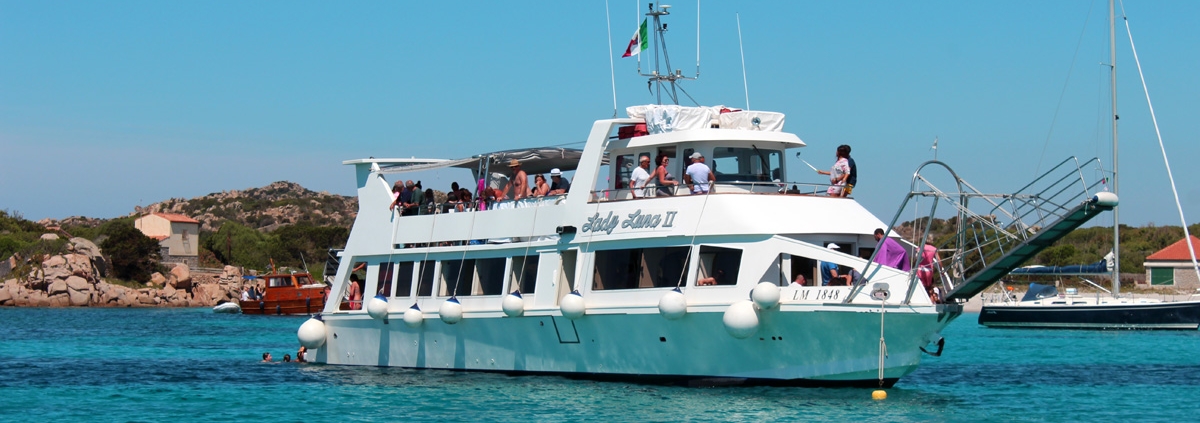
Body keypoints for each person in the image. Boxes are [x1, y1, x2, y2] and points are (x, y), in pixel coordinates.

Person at [917, 234, 940, 302]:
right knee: (929, 287)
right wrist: (941, 269)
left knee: (921, 286)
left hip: (920, 269)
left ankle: (922, 300)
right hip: (929, 270)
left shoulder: (920, 248)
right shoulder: (934, 249)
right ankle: (932, 300)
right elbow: (939, 260)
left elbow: (916, 258)